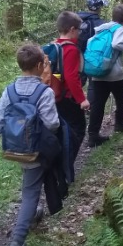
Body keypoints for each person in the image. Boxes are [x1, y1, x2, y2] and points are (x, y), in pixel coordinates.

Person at [0, 45, 59, 246]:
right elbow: (52, 124)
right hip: (35, 150)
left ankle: (34, 213)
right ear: (40, 66)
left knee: (30, 184)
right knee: (31, 193)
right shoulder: (45, 92)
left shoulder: (9, 91)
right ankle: (17, 242)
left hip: (14, 148)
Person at [87, 4, 123, 147]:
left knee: (98, 104)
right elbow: (116, 44)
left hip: (98, 71)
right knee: (122, 98)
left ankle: (92, 135)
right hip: (114, 73)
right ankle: (119, 123)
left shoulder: (104, 27)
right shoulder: (121, 28)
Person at [51, 11, 89, 162]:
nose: (79, 33)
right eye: (79, 30)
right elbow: (71, 77)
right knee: (78, 129)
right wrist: (82, 100)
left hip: (54, 96)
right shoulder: (71, 49)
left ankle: (59, 161)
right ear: (72, 29)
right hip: (68, 98)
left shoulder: (54, 45)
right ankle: (65, 164)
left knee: (61, 130)